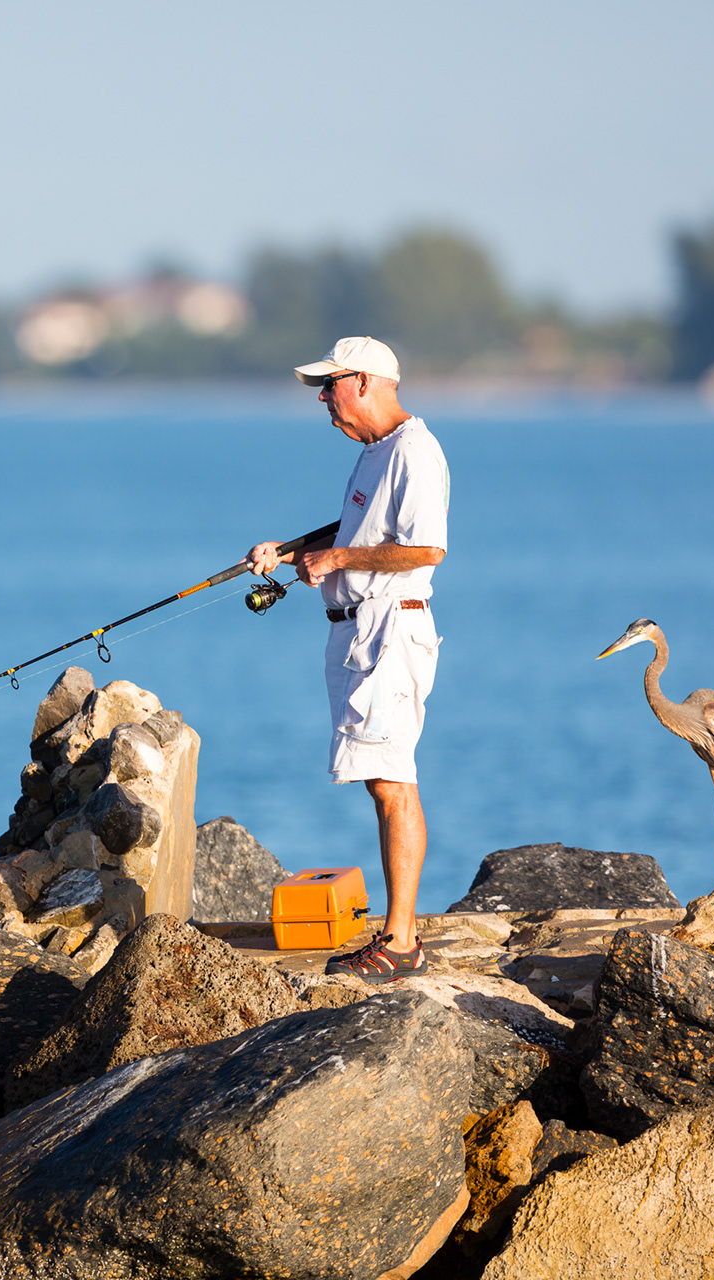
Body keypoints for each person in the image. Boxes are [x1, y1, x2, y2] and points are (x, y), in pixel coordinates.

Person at [246, 336, 448, 983]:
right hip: (359, 634)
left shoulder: (415, 450)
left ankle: (401, 941)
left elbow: (425, 550)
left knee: (393, 783)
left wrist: (334, 561)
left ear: (363, 381)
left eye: (329, 387)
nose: (324, 400)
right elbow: (354, 530)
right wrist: (287, 547)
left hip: (392, 631)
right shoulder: (374, 454)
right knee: (383, 780)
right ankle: (399, 935)